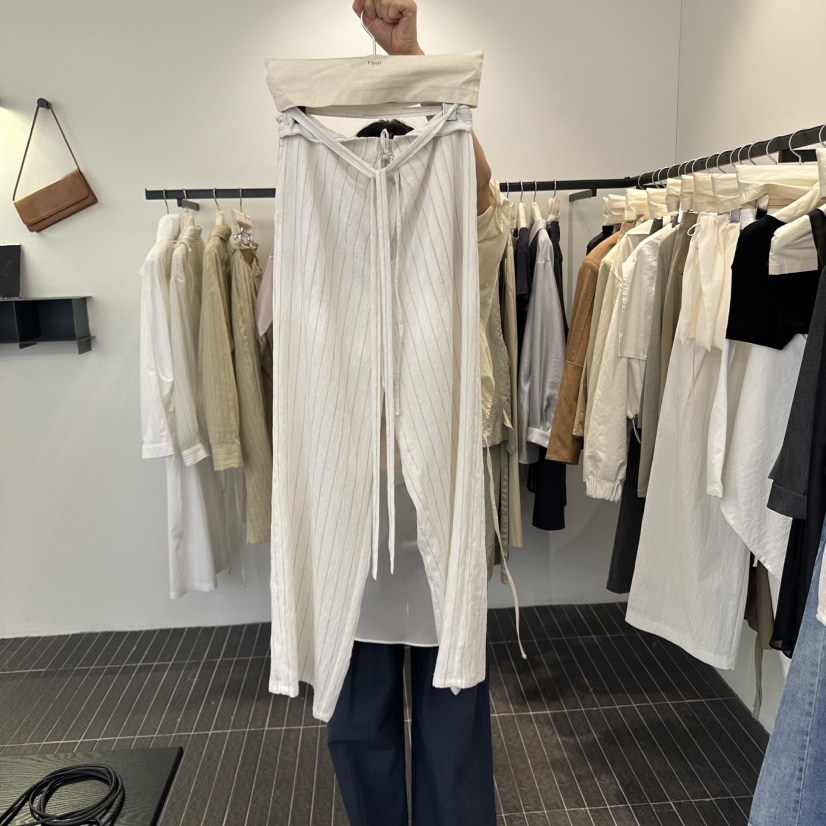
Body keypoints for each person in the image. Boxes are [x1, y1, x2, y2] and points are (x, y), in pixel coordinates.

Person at [323, 3, 504, 825]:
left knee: (452, 701)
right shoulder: (322, 262)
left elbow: (480, 193)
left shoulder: (461, 254)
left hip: (437, 506)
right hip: (354, 512)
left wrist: (412, 58)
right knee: (358, 711)